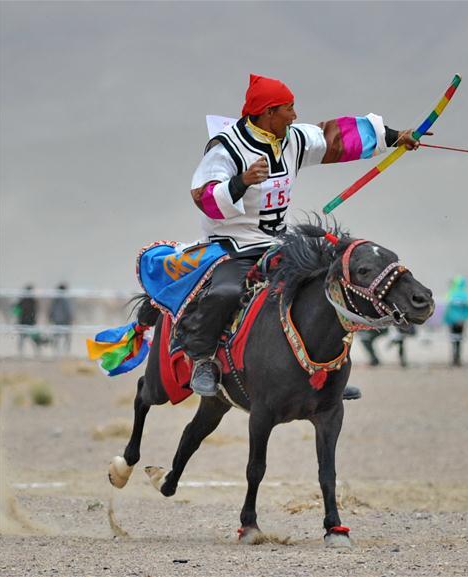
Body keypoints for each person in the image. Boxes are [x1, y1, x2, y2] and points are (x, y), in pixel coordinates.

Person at [179, 74, 421, 396]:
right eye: (288, 109)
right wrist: (242, 182)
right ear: (267, 113)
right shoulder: (226, 149)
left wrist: (396, 137)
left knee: (327, 279)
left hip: (278, 241)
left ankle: (330, 369)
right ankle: (203, 361)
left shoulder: (294, 138)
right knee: (224, 292)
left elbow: (337, 137)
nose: (294, 115)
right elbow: (204, 196)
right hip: (233, 245)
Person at [443, 275, 468, 367]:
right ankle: (457, 359)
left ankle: (455, 359)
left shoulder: (450, 293)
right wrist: (463, 318)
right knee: (458, 340)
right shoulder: (465, 295)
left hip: (452, 321)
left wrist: (446, 319)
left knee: (454, 340)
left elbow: (446, 308)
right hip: (460, 321)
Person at [13, 284, 42, 357]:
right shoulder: (33, 301)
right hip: (30, 322)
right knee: (33, 339)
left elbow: (16, 311)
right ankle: (36, 353)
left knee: (23, 339)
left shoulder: (23, 300)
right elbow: (36, 311)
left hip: (24, 322)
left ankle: (21, 353)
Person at [49, 283, 74, 356]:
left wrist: (50, 317)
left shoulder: (55, 299)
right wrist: (70, 318)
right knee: (66, 337)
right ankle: (65, 351)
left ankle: (57, 351)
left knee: (57, 336)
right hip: (64, 321)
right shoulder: (65, 299)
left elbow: (51, 310)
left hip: (57, 320)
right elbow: (68, 310)